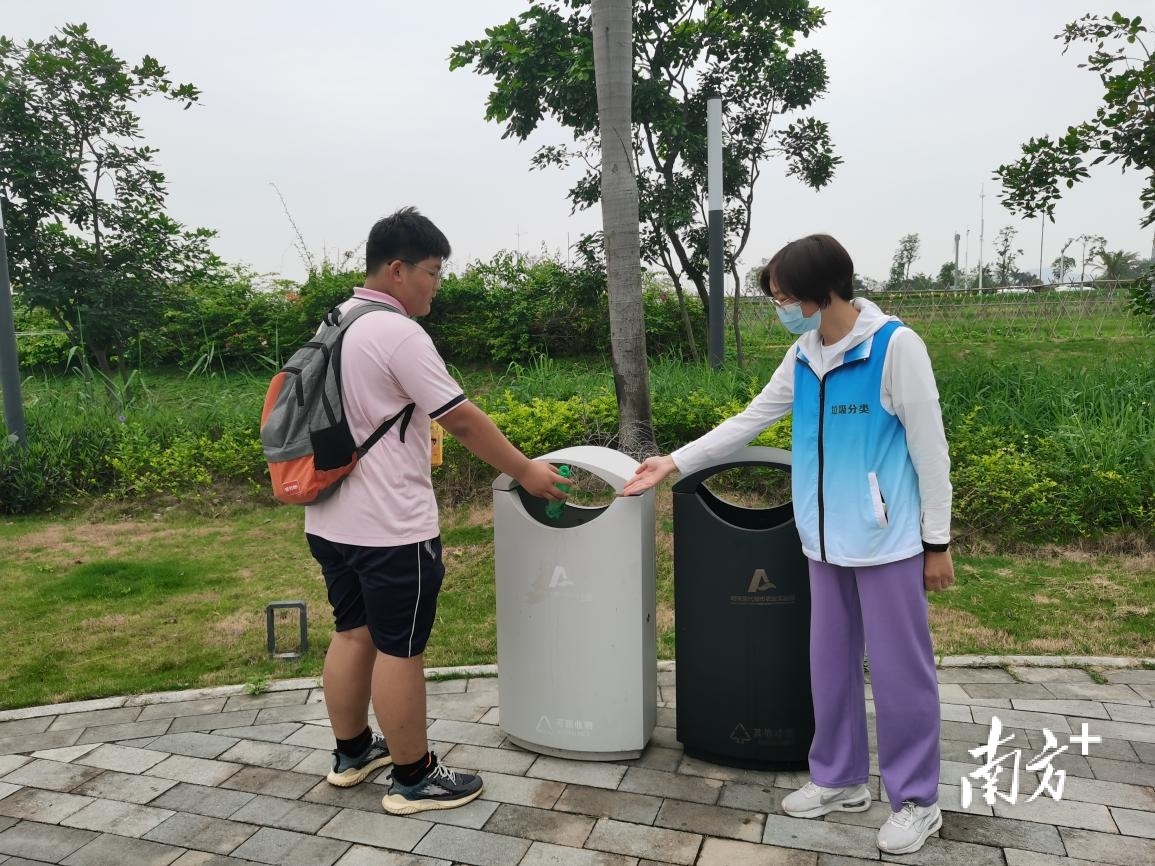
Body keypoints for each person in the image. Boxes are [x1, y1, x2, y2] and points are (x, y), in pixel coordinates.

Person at [622, 234, 954, 855]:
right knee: (827, 665)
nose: (778, 307)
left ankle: (917, 800)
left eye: (782, 296)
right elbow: (751, 419)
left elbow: (930, 453)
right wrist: (673, 460)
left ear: (820, 291)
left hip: (887, 545)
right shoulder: (804, 354)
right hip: (823, 545)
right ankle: (840, 779)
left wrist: (937, 542)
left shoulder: (894, 348)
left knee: (901, 675)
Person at [304, 207, 567, 815]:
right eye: (432, 271)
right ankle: (414, 776)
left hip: (330, 518)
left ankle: (352, 754)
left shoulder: (335, 321)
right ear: (396, 270)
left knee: (352, 632)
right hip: (391, 527)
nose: (436, 284)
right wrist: (526, 469)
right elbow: (461, 417)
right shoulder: (397, 332)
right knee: (400, 648)